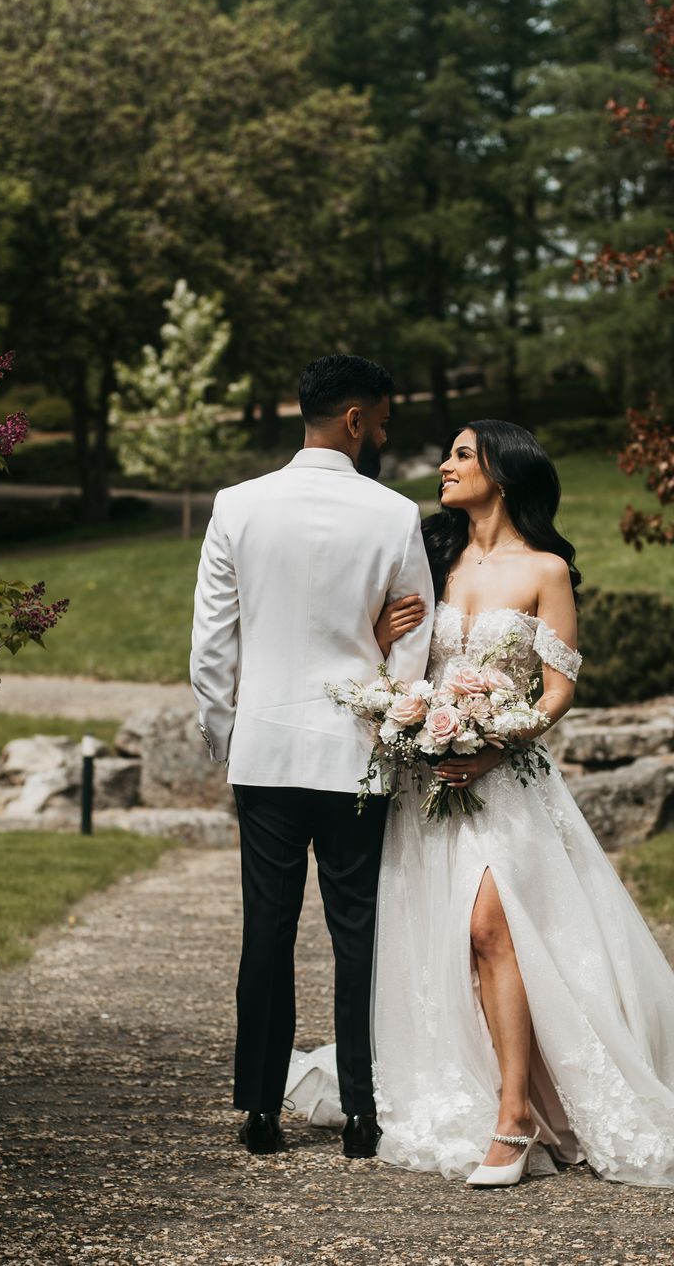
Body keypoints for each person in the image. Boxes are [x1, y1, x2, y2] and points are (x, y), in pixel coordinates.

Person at [287, 419, 674, 1188]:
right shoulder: (432, 560)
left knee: (492, 927)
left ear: (504, 471)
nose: (444, 465)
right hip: (427, 781)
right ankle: (497, 1086)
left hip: (504, 781)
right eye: (449, 453)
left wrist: (496, 740)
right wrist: (386, 650)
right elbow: (390, 664)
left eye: (462, 454)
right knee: (454, 939)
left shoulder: (546, 570)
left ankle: (514, 1117)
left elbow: (559, 687)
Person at [190, 354, 435, 1160]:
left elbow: (212, 646)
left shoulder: (237, 506)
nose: (386, 434)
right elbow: (414, 634)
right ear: (358, 419)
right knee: (357, 932)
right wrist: (394, 724)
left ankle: (260, 1110)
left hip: (263, 752)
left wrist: (227, 736)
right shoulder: (394, 514)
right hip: (355, 754)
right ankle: (363, 1115)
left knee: (267, 929)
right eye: (385, 420)